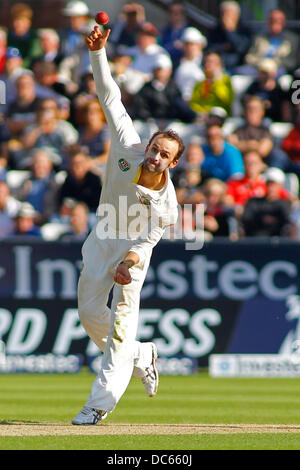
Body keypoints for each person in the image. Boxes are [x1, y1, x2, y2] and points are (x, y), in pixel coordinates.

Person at [71, 26, 184, 425]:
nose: (154, 156)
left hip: (131, 253)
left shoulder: (167, 203)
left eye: (163, 155)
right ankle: (142, 354)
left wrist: (130, 261)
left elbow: (150, 239)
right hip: (102, 238)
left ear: (173, 163)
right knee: (88, 314)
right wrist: (99, 53)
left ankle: (98, 405)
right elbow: (109, 96)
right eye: (154, 148)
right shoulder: (126, 146)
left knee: (120, 328)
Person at [130, 54, 196, 124]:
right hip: (150, 122)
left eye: (162, 69)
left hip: (172, 122)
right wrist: (149, 119)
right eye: (157, 69)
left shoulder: (174, 88)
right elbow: (140, 107)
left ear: (169, 71)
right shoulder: (146, 88)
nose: (159, 72)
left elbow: (180, 108)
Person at [228, 96, 289, 169]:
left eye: (255, 109)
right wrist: (252, 145)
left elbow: (263, 150)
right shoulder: (238, 130)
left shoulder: (265, 131)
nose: (251, 112)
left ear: (262, 112)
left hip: (260, 170)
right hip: (240, 167)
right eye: (249, 109)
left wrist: (241, 145)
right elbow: (230, 147)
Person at [245, 9, 299, 76]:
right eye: (272, 20)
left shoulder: (292, 40)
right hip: (257, 68)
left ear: (283, 22)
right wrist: (261, 63)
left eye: (278, 20)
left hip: (279, 70)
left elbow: (292, 62)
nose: (274, 22)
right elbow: (250, 57)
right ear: (268, 22)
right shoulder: (259, 38)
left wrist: (274, 63)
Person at [241, 167, 291, 237]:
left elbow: (287, 221)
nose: (271, 187)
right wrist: (262, 219)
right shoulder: (253, 202)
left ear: (280, 185)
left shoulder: (285, 204)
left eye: (274, 184)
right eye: (268, 184)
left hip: (279, 240)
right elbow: (246, 219)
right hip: (255, 239)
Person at [207, 1, 251, 74]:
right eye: (223, 14)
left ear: (237, 16)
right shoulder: (215, 30)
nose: (225, 18)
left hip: (238, 67)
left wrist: (230, 31)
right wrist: (223, 47)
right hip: (218, 66)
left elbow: (241, 48)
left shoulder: (244, 30)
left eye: (229, 15)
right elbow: (211, 48)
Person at [243, 59, 292, 123]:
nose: (263, 75)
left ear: (273, 73)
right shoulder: (254, 86)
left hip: (273, 120)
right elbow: (246, 99)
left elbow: (284, 108)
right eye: (261, 72)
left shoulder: (278, 89)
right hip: (254, 119)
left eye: (265, 72)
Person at [189, 52, 234, 116]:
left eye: (211, 62)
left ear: (219, 65)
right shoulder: (200, 83)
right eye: (206, 62)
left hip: (220, 116)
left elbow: (226, 101)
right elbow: (194, 103)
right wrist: (202, 112)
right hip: (203, 116)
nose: (207, 65)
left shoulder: (226, 81)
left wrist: (217, 81)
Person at [77, 98, 111, 172]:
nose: (91, 114)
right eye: (88, 111)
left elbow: (108, 154)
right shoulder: (81, 130)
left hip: (101, 167)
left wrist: (93, 162)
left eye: (95, 111)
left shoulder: (105, 131)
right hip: (83, 165)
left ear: (101, 113)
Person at [174, 27, 207, 102]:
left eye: (192, 44)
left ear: (200, 45)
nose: (189, 48)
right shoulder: (177, 63)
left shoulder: (206, 62)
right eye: (186, 44)